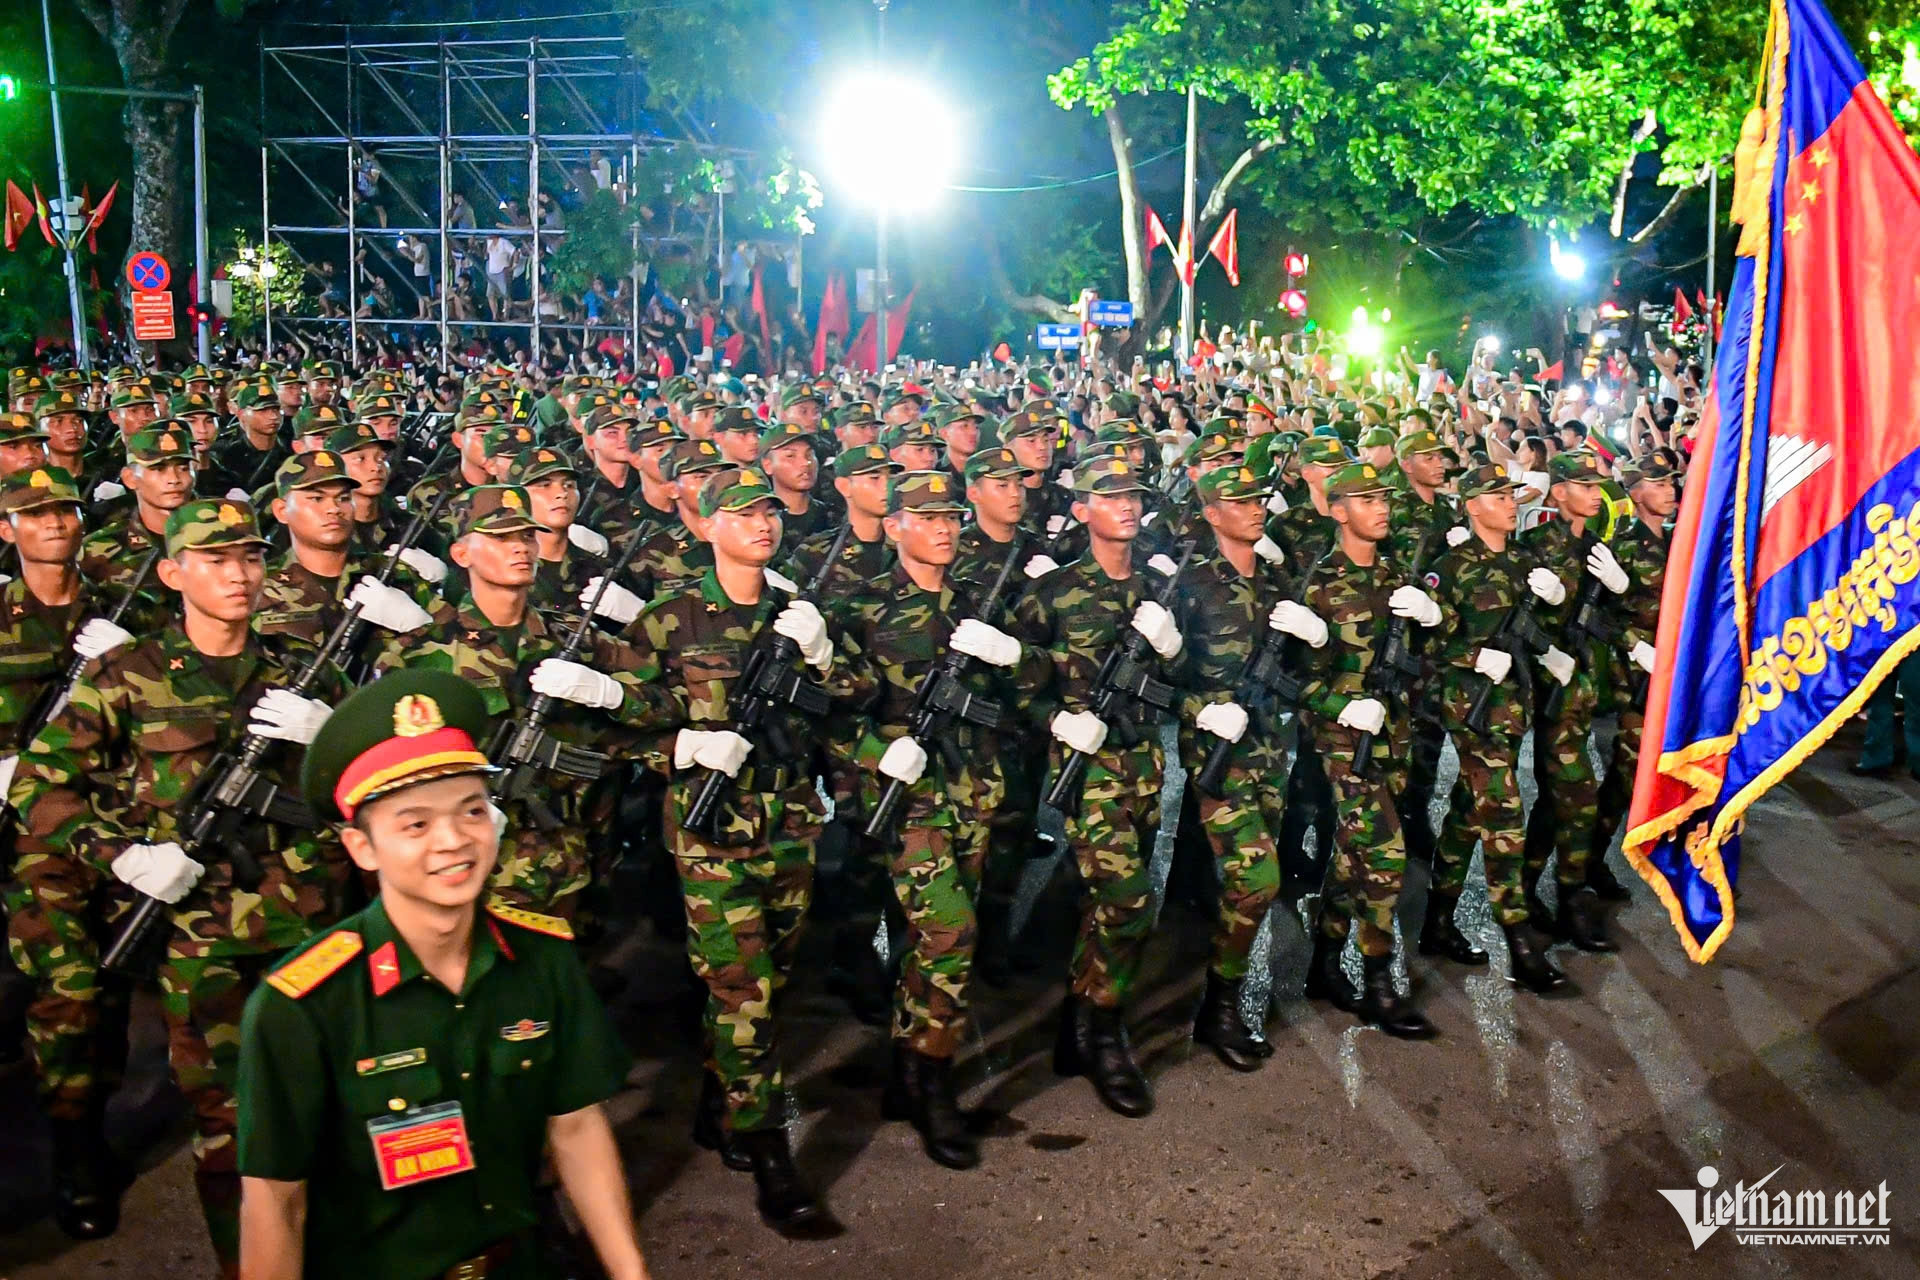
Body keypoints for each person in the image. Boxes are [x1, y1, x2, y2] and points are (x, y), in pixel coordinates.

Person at [12, 497, 349, 1270]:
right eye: (216, 560)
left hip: (312, 924)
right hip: (205, 938)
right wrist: (125, 855)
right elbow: (42, 788)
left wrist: (329, 733)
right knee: (231, 1122)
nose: (239, 575)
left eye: (252, 558)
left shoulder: (301, 667)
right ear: (172, 573)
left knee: (327, 1107)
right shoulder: (128, 674)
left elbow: (358, 787)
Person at [235, 670, 651, 1280]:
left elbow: (578, 1128)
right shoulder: (304, 1004)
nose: (454, 841)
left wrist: (630, 1273)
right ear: (362, 848)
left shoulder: (543, 958)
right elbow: (276, 1201)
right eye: (415, 824)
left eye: (472, 811)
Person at [624, 466, 868, 1232]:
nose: (762, 526)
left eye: (769, 514)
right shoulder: (670, 619)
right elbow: (616, 727)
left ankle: (719, 1099)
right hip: (711, 833)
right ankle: (770, 1151)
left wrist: (824, 652)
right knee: (746, 989)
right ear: (706, 528)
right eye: (742, 515)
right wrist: (683, 747)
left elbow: (857, 696)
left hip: (790, 821)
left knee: (772, 976)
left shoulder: (798, 612)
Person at [841, 469, 1044, 1167]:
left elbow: (1040, 682)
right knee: (951, 933)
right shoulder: (865, 609)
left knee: (936, 943)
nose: (944, 527)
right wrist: (876, 753)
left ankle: (907, 1066)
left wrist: (1014, 657)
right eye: (926, 517)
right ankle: (933, 1080)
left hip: (976, 794)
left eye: (951, 516)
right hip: (911, 803)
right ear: (893, 525)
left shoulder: (981, 604)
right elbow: (832, 713)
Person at [1011, 452, 1188, 1118]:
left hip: (1146, 767)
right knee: (1129, 900)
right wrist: (1054, 718)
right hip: (1089, 775)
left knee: (1104, 904)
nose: (1127, 505)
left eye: (1133, 495)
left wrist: (1172, 649)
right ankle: (1105, 1030)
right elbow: (1012, 684)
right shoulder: (1053, 593)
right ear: (1080, 510)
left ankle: (1076, 1024)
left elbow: (1184, 683)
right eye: (1108, 496)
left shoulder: (1155, 586)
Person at [0, 465, 141, 1239]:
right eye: (34, 513)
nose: (54, 523)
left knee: (112, 985)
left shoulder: (125, 607)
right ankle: (73, 1149)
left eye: (63, 510)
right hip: (34, 832)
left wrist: (131, 651)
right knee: (70, 987)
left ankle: (90, 1113)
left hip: (117, 821)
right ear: (7, 529)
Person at [1176, 464, 1327, 1068]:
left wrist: (1317, 638)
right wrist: (1202, 711)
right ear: (1212, 514)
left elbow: (1301, 670)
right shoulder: (1189, 585)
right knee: (1258, 879)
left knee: (1247, 883)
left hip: (1269, 750)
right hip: (1218, 756)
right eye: (1238, 501)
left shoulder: (1277, 579)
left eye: (1258, 498)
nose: (1255, 508)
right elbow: (1162, 677)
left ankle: (1222, 997)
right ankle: (1220, 1008)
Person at [1297, 462, 1448, 1038]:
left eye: (1383, 496)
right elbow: (1289, 680)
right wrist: (1340, 706)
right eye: (1365, 500)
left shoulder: (1394, 578)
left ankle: (1324, 962)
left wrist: (1435, 617)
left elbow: (1429, 653)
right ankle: (1381, 981)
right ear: (1338, 511)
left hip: (1395, 735)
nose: (1381, 507)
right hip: (1343, 744)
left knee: (1351, 855)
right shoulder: (1317, 584)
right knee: (1385, 858)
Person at [1425, 463, 1570, 995]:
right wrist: (1473, 655)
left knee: (1469, 814)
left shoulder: (1522, 562)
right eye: (1497, 495)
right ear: (1472, 505)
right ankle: (1520, 941)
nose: (1510, 502)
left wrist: (1553, 609)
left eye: (1511, 494)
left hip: (1514, 707)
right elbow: (1425, 645)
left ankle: (1437, 921)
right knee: (1506, 814)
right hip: (1472, 711)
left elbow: (1539, 630)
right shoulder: (1450, 567)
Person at [1518, 449, 1628, 951]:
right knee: (1578, 793)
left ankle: (1526, 881)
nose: (1594, 492)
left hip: (1584, 689)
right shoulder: (1536, 546)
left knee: (1556, 795)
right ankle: (1571, 897)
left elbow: (1611, 615)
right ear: (1558, 492)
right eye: (1584, 485)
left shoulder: (1596, 546)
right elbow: (1518, 624)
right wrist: (1552, 644)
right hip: (1552, 689)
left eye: (1597, 485)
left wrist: (1616, 588)